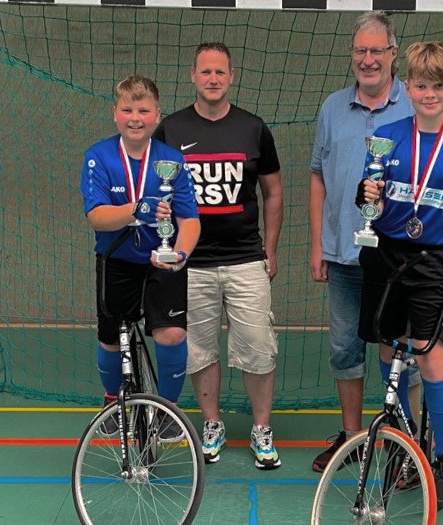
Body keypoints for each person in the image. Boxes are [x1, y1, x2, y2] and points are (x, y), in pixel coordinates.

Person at [358, 41, 443, 509]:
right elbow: (368, 203)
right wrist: (366, 194)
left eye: (438, 85)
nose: (428, 93)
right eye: (420, 85)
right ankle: (399, 437)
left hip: (433, 262)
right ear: (406, 86)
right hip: (385, 256)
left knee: (428, 355)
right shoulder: (387, 135)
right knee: (384, 342)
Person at [153, 42, 284, 470]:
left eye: (220, 72)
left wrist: (271, 249)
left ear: (231, 77)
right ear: (193, 75)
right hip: (191, 263)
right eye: (205, 71)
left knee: (258, 348)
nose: (213, 79)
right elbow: (154, 189)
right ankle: (212, 423)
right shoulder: (169, 130)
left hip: (246, 259)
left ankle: (262, 429)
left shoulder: (253, 128)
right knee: (200, 350)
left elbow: (274, 192)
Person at [308, 10, 422, 473]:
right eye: (361, 50)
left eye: (377, 50)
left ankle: (405, 439)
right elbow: (318, 175)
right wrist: (317, 243)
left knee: (399, 349)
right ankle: (353, 437)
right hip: (342, 253)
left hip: (396, 257)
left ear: (394, 54)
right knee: (343, 349)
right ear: (351, 55)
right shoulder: (333, 107)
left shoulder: (414, 106)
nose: (369, 59)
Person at [80, 75, 201, 441]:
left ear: (156, 115)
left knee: (172, 333)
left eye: (144, 110)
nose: (136, 117)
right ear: (115, 114)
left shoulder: (172, 160)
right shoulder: (98, 156)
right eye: (128, 109)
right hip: (116, 260)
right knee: (111, 340)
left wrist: (180, 252)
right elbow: (96, 216)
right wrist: (135, 209)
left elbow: (190, 220)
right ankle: (112, 402)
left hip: (161, 262)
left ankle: (167, 409)